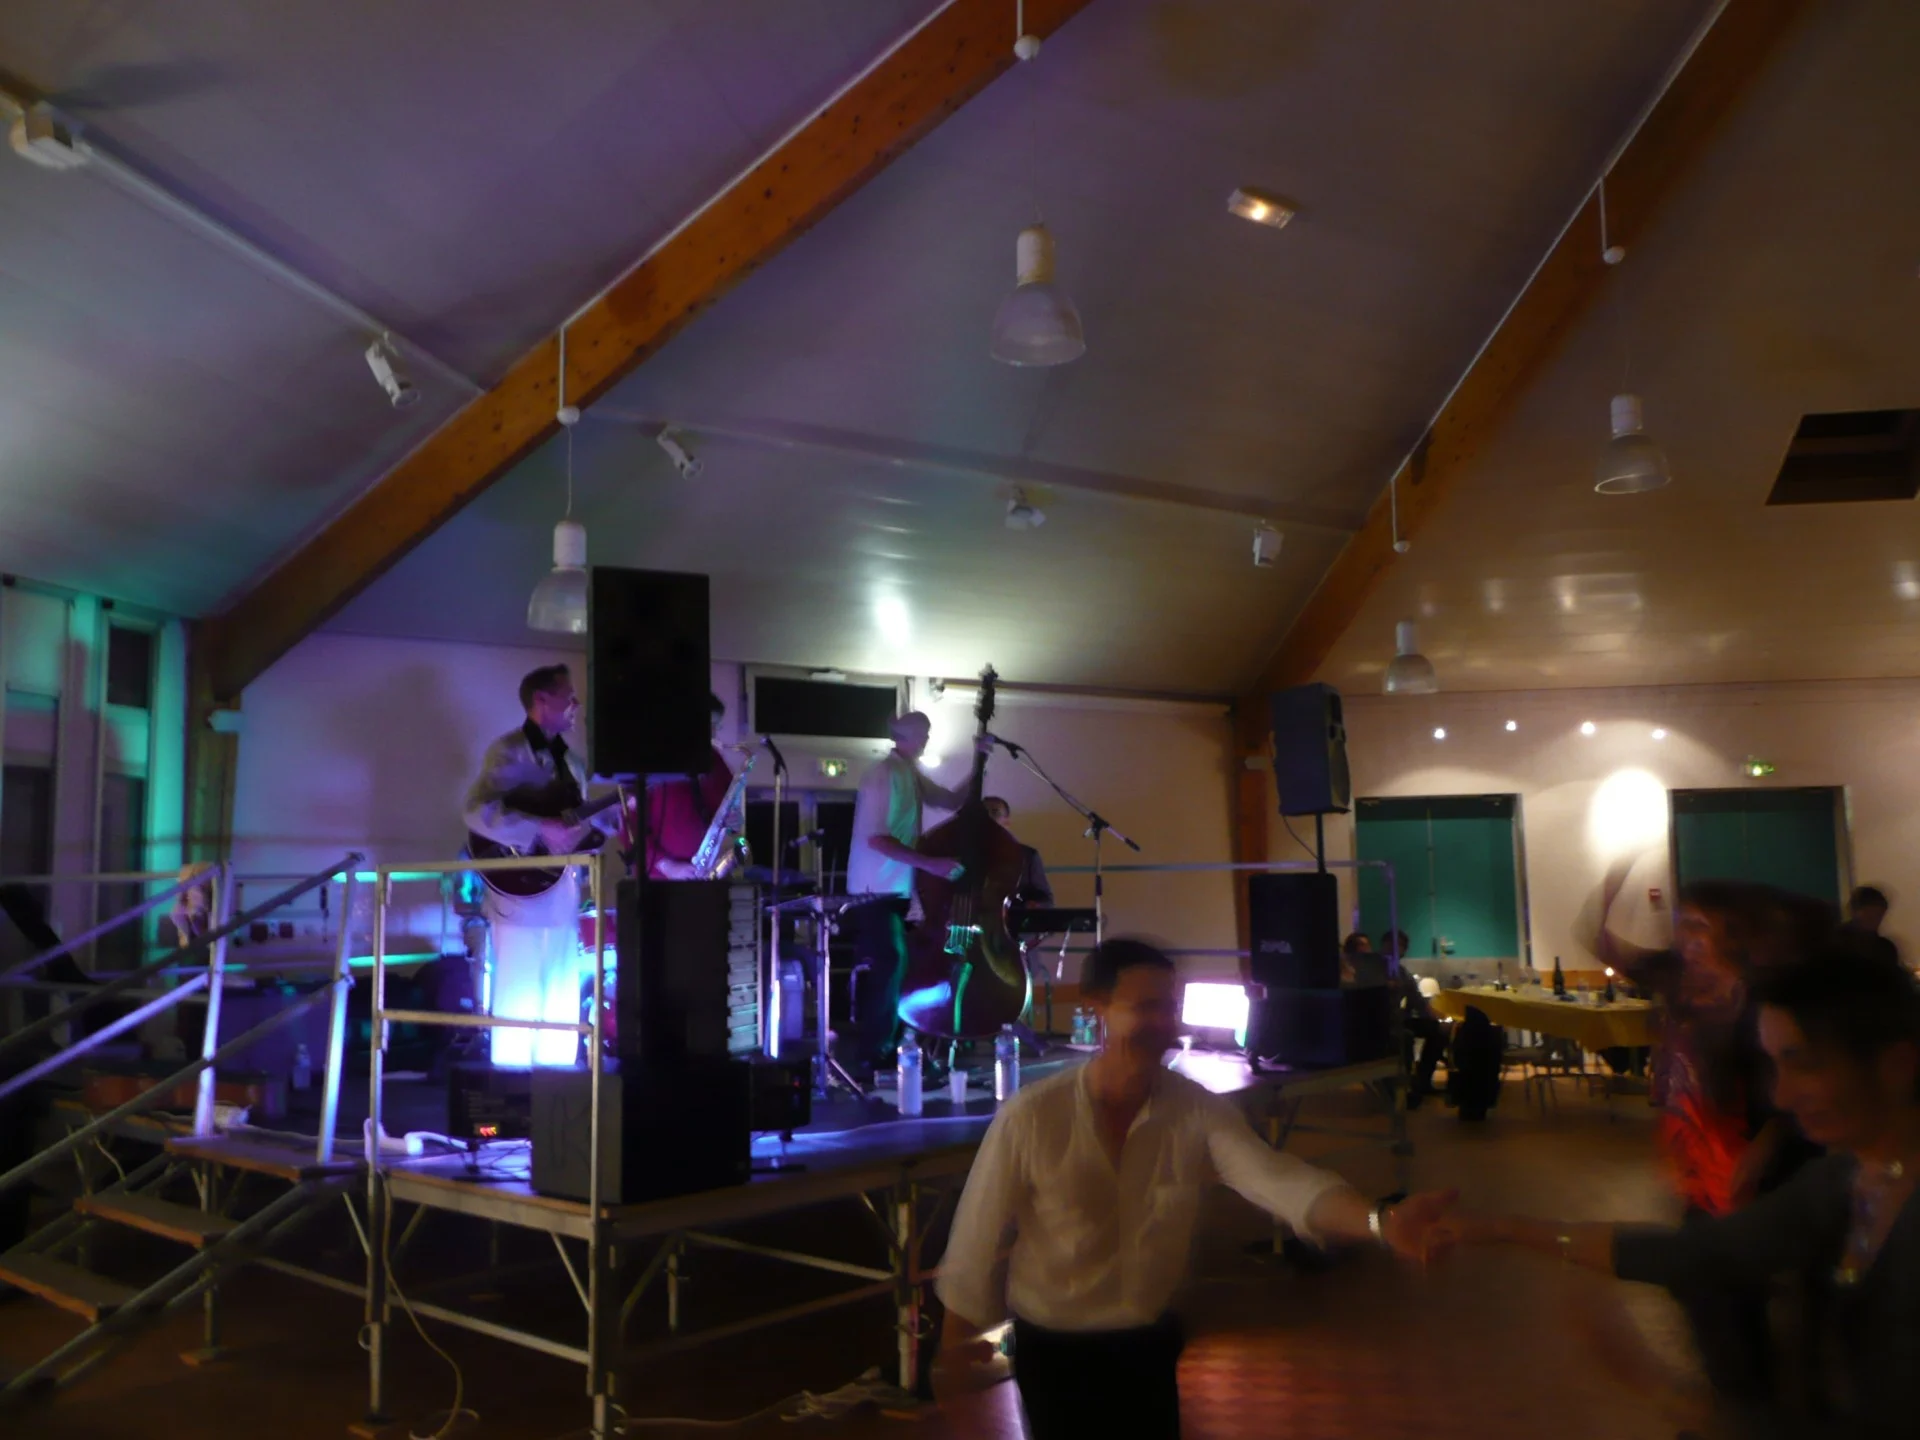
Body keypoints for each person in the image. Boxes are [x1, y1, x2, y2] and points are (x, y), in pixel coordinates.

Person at [932, 938, 1457, 1440]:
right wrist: (953, 1350)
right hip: (1053, 1352)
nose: (1163, 1023)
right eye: (1145, 1007)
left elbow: (1280, 1181)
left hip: (1148, 1346)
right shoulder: (1032, 1116)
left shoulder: (1194, 1110)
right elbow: (977, 1235)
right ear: (1096, 1007)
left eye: (1170, 1007)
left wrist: (1379, 1222)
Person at [1442, 946, 1920, 1438]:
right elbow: (1705, 1253)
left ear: (1897, 1065)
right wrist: (1501, 1228)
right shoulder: (1847, 1179)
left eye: (1805, 1065)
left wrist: (1666, 1393)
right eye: (1775, 1066)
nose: (1781, 1095)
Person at [464, 665, 620, 1067]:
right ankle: (512, 1081)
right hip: (517, 888)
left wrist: (608, 820)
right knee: (518, 985)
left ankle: (557, 1082)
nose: (576, 704)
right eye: (568, 696)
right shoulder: (509, 751)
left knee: (560, 986)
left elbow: (571, 828)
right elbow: (477, 811)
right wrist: (536, 827)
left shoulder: (574, 764)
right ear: (541, 700)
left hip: (561, 888)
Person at [843, 713, 983, 1076]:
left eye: (927, 733)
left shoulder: (910, 773)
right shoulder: (882, 774)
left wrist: (979, 761)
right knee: (890, 963)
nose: (926, 739)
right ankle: (873, 1054)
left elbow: (952, 801)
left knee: (895, 966)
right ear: (904, 735)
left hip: (893, 891)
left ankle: (886, 1049)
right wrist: (931, 864)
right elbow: (877, 840)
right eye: (922, 733)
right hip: (873, 891)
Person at [641, 693, 736, 880]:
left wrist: (733, 822)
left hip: (706, 872)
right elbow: (630, 827)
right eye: (709, 725)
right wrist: (668, 867)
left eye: (717, 725)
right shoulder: (655, 762)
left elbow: (725, 810)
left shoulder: (716, 761)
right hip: (661, 878)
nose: (713, 733)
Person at [983, 796, 1054, 907]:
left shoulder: (1028, 856)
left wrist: (1032, 905)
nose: (989, 818)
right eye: (984, 814)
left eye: (995, 813)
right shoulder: (965, 855)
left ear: (1007, 822)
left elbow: (1046, 901)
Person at [1841, 885, 1899, 969]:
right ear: (1853, 911)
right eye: (1870, 916)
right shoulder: (1835, 945)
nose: (1875, 921)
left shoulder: (1885, 948)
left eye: (1878, 916)